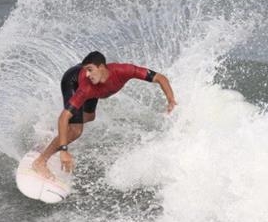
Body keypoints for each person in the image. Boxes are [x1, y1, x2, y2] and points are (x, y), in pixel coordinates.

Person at [32, 51, 177, 179]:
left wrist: (170, 99)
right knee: (75, 131)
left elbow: (160, 77)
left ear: (101, 67)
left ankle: (57, 134)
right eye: (86, 71)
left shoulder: (124, 70)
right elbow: (64, 117)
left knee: (89, 117)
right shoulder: (86, 86)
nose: (88, 74)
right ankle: (40, 162)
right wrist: (64, 151)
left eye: (90, 70)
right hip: (72, 81)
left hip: (96, 90)